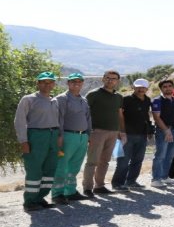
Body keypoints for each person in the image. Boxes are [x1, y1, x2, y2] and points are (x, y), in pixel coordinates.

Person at [14, 71, 60, 211]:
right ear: (38, 83)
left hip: (53, 136)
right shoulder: (28, 99)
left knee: (49, 169)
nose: (47, 84)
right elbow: (19, 121)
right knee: (34, 170)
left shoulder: (55, 100)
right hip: (36, 136)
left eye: (50, 82)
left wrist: (58, 137)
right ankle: (30, 202)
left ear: (54, 84)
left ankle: (40, 198)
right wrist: (23, 141)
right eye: (44, 82)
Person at [50, 73, 92, 204]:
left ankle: (70, 192)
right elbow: (59, 119)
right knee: (61, 166)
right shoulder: (61, 99)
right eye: (73, 81)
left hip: (82, 137)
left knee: (74, 166)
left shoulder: (83, 99)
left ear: (82, 83)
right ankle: (57, 194)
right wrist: (60, 136)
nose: (76, 83)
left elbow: (88, 118)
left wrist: (88, 135)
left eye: (79, 81)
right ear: (68, 83)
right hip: (67, 136)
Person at [83, 70, 124, 197]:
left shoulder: (118, 97)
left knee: (105, 161)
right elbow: (85, 113)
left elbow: (119, 114)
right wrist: (87, 132)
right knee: (92, 161)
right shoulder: (93, 94)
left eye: (113, 78)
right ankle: (87, 188)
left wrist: (121, 131)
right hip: (97, 131)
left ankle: (99, 186)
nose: (110, 80)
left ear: (117, 81)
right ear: (103, 79)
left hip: (113, 132)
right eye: (108, 78)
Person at [111, 78, 152, 190]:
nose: (141, 89)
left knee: (138, 160)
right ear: (133, 87)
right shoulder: (126, 99)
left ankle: (131, 181)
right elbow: (119, 116)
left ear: (147, 88)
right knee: (123, 161)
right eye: (138, 87)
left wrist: (150, 130)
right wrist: (121, 131)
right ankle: (117, 183)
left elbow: (146, 116)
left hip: (142, 134)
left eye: (143, 87)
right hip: (127, 134)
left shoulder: (147, 100)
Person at [151, 79, 174, 187]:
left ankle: (164, 176)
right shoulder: (157, 100)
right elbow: (156, 118)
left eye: (170, 86)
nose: (168, 88)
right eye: (165, 86)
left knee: (170, 155)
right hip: (163, 130)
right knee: (160, 155)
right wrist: (166, 130)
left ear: (173, 87)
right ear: (161, 89)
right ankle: (155, 179)